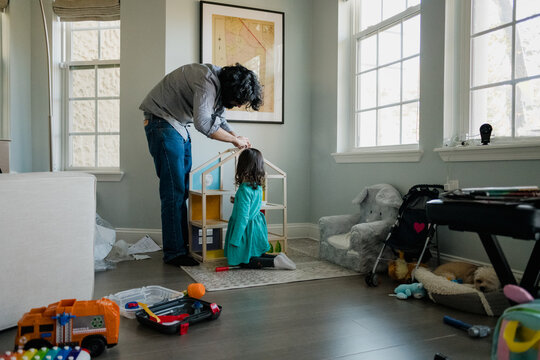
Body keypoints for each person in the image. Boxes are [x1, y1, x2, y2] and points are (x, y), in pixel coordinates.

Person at [140, 63, 262, 266]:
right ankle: (174, 253)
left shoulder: (218, 85)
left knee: (181, 190)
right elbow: (204, 123)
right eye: (238, 101)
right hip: (161, 122)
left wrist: (235, 135)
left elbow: (218, 118)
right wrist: (234, 141)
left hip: (176, 124)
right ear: (231, 90)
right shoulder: (207, 80)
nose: (239, 105)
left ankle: (181, 247)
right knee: (173, 191)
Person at [224, 148, 296, 270]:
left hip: (245, 229)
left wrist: (235, 239)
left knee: (244, 261)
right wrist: (236, 200)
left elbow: (243, 217)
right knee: (256, 254)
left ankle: (274, 262)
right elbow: (252, 205)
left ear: (241, 167)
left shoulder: (243, 190)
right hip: (256, 226)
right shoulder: (256, 188)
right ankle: (278, 257)